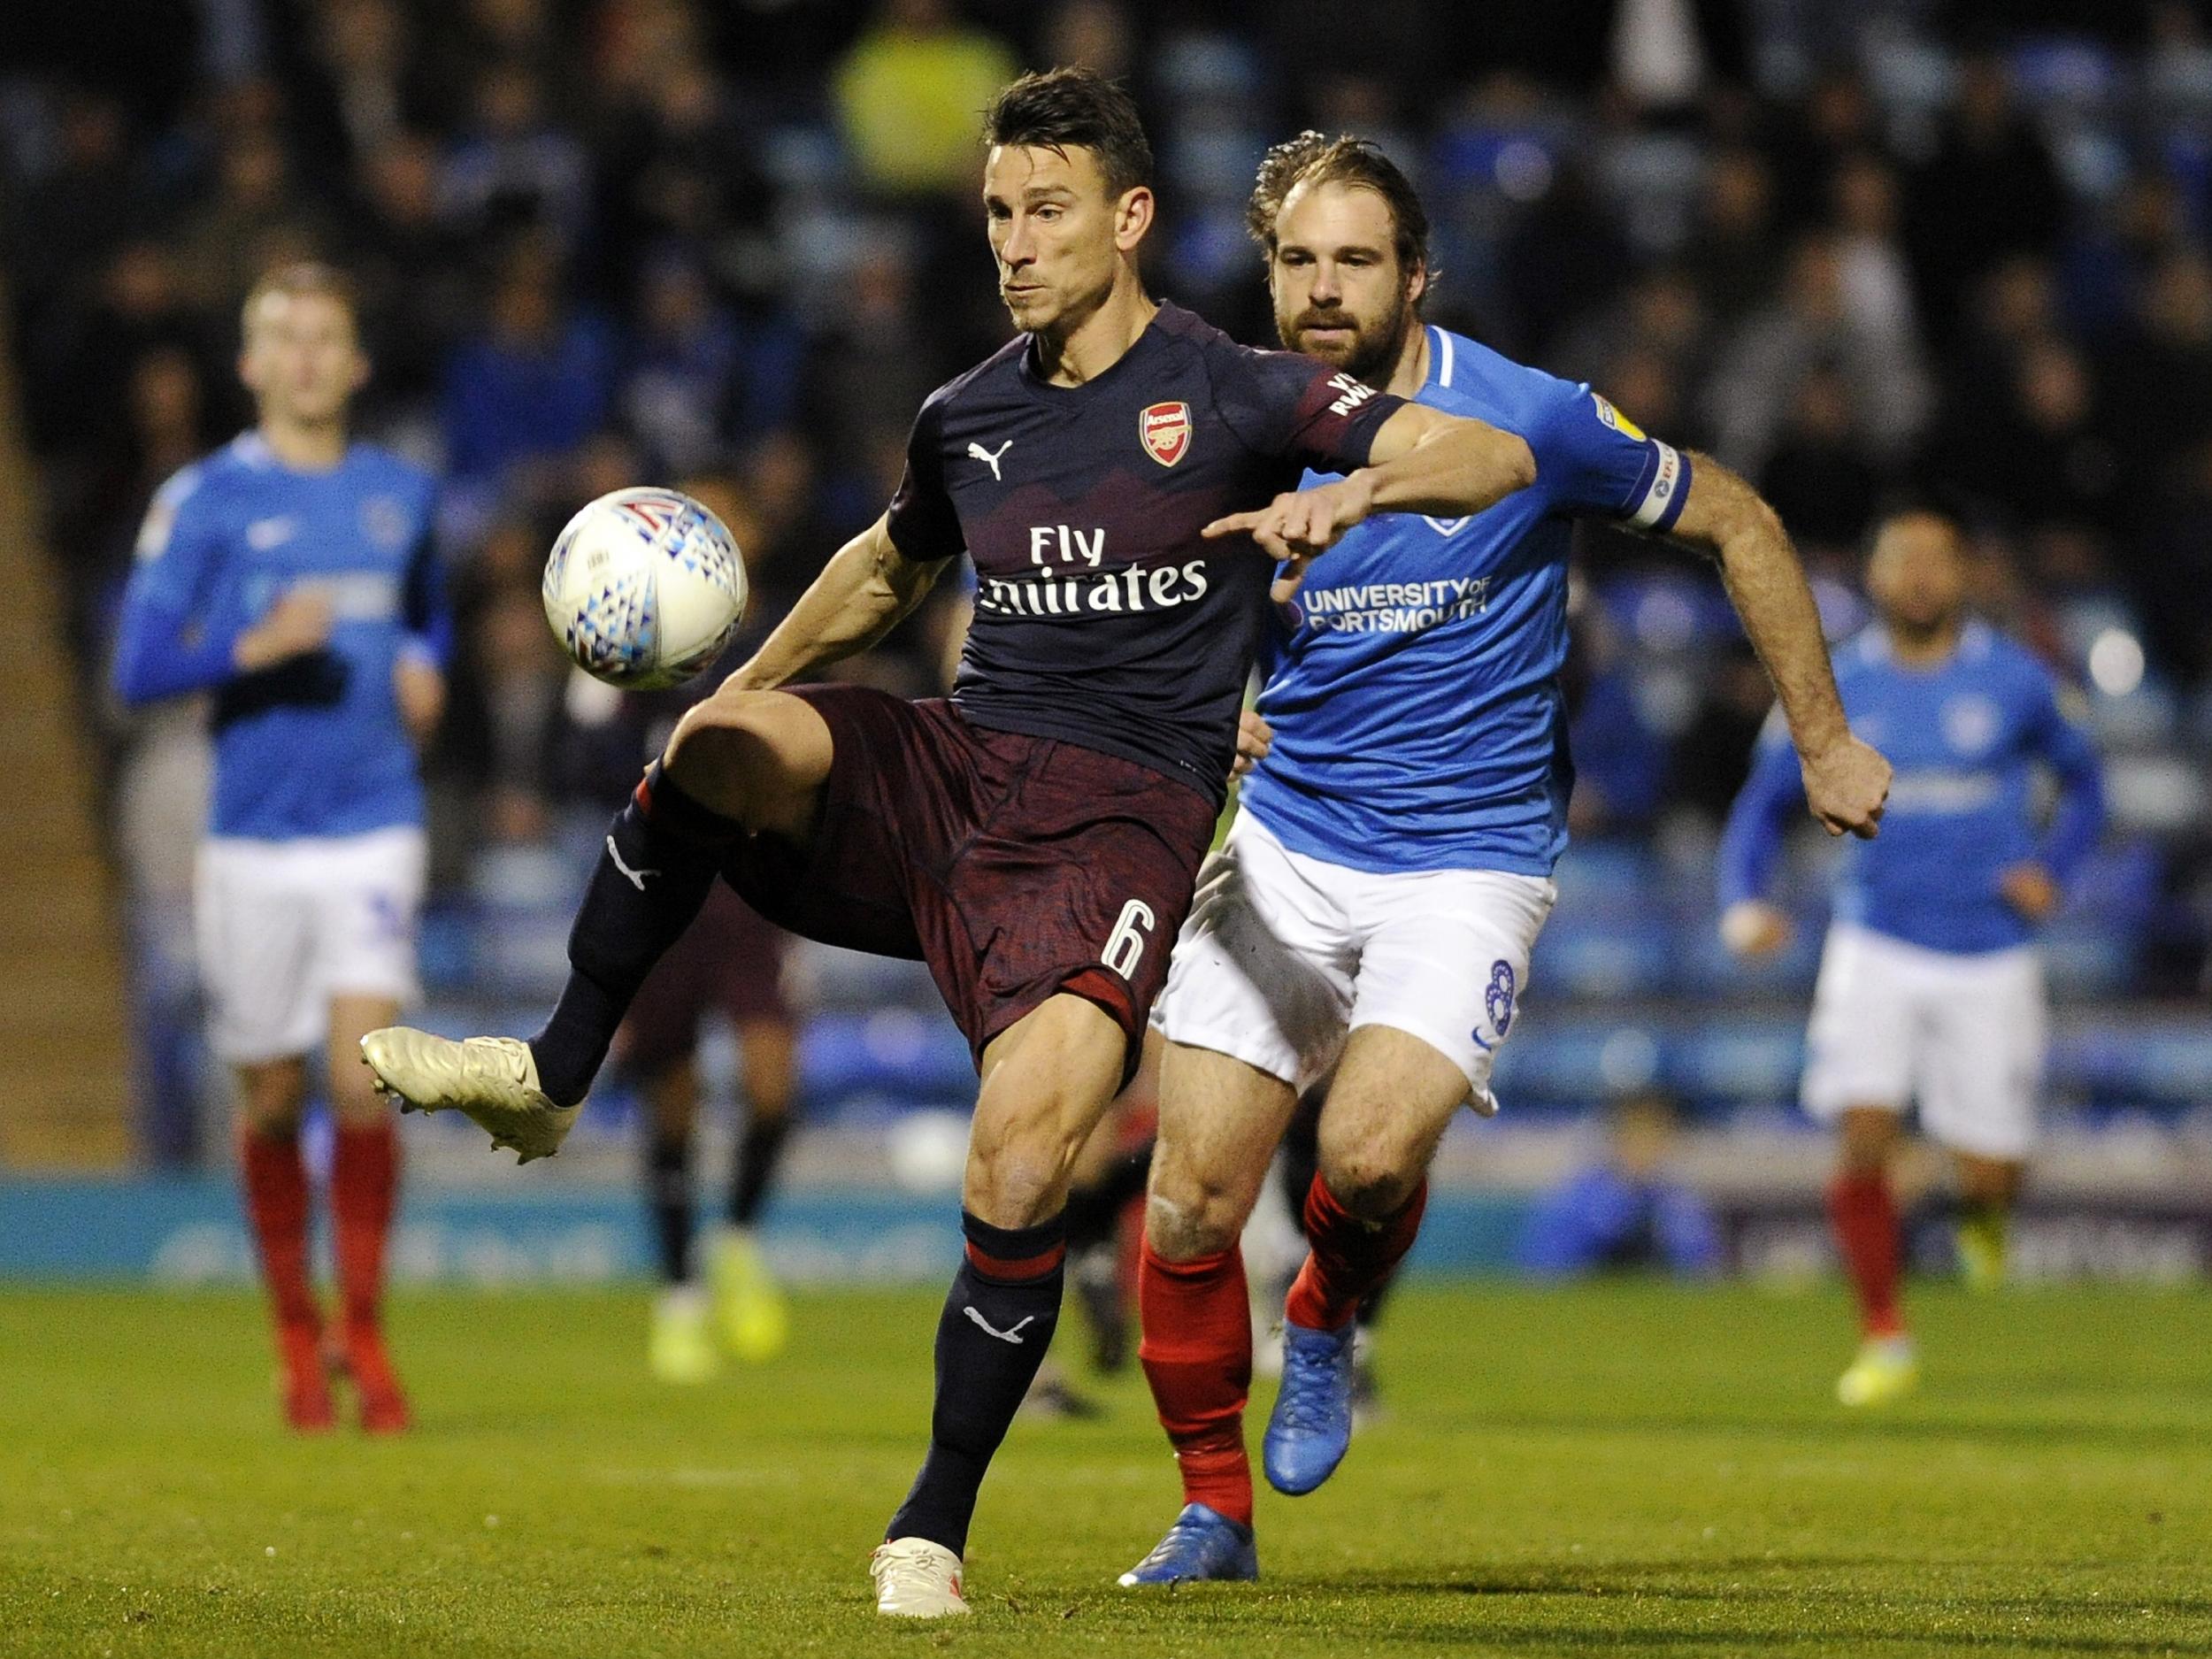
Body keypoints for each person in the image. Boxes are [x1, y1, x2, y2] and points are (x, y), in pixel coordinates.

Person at [359, 68, 1543, 1617]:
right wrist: (743, 683)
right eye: (996, 212)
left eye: (1046, 210)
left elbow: (1493, 460)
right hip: (957, 770)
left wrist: (1359, 493)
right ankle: (552, 1075)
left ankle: (931, 1527)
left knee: (1018, 1163)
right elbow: (878, 571)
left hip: (1121, 825)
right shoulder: (968, 416)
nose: (1015, 242)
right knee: (716, 745)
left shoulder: (1239, 391)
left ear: (1128, 220)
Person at [1118, 134, 1890, 1588]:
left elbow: (1739, 516)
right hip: (1286, 848)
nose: (1324, 289)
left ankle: (1331, 1313)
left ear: (1420, 275)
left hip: (1467, 856)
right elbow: (1165, 613)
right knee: (1189, 1199)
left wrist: (1828, 741)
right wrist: (1202, 709)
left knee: (1366, 1146)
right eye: (1298, 259)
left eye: (1356, 260)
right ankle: (1214, 1514)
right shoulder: (1222, 415)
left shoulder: (1529, 414)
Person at [111, 262, 446, 1434]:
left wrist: (428, 665)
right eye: (282, 337)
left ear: (355, 361)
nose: (305, 357)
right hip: (252, 835)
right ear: (251, 364)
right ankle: (292, 1331)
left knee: (362, 1078)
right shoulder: (202, 501)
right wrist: (249, 646)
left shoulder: (401, 493)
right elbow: (136, 667)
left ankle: (362, 1327)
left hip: (372, 821)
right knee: (267, 1093)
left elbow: (426, 609)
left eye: (326, 336)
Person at [1718, 507, 2104, 1408]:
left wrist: (2054, 868)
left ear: (1965, 574)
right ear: (1874, 576)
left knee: (1988, 1170)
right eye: (1903, 560)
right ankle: (1883, 1333)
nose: (1921, 576)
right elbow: (1758, 806)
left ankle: (1982, 1213)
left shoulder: (2015, 681)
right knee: (1861, 1132)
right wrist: (1745, 898)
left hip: (1991, 950)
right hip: (1874, 937)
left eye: (1937, 559)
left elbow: (2086, 783)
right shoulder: (1832, 684)